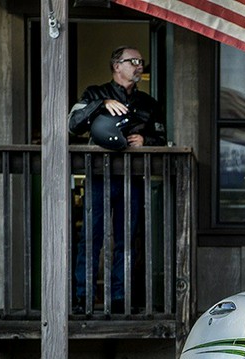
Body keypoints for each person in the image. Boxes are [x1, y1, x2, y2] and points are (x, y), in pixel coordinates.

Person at [68, 46, 166, 313]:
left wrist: (146, 140)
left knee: (127, 239)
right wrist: (100, 105)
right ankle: (82, 297)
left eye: (141, 62)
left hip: (132, 177)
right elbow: (73, 124)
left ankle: (120, 299)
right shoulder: (94, 93)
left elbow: (163, 136)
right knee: (91, 237)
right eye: (132, 61)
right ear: (116, 66)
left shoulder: (148, 103)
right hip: (99, 175)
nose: (138, 66)